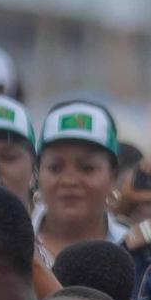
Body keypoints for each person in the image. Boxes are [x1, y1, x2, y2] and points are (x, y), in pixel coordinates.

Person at [33, 99, 124, 255]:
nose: (69, 181)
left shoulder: (138, 252)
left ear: (113, 176)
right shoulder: (9, 248)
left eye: (87, 169)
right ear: (37, 172)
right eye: (55, 168)